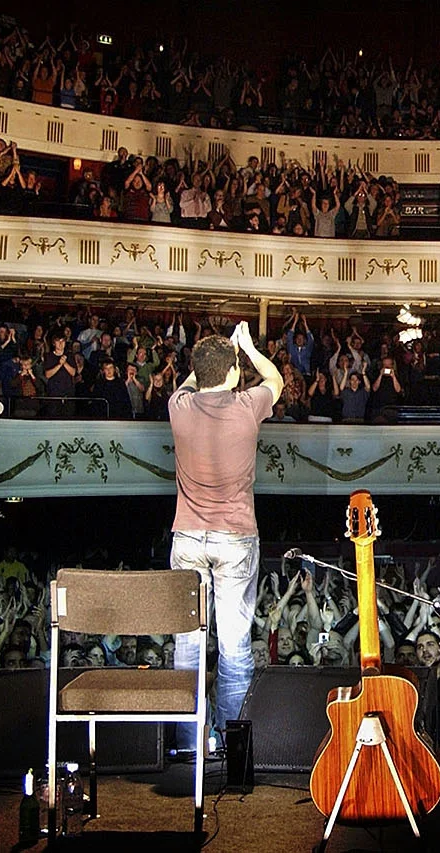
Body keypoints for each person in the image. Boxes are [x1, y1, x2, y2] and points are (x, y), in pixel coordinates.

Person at [167, 321, 283, 751]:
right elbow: (276, 379)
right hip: (234, 538)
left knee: (187, 648)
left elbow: (194, 381)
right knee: (234, 650)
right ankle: (234, 749)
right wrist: (247, 349)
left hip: (188, 538)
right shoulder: (246, 406)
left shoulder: (177, 407)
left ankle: (188, 746)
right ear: (234, 373)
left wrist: (210, 364)